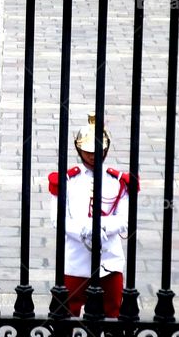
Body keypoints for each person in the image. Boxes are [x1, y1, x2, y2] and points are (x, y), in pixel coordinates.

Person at [47, 113, 134, 318]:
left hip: (108, 259)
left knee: (113, 314)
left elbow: (124, 219)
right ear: (79, 149)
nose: (93, 156)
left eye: (98, 151)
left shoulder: (117, 181)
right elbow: (57, 218)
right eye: (88, 151)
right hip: (76, 258)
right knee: (66, 315)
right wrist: (83, 231)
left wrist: (101, 227)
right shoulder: (66, 180)